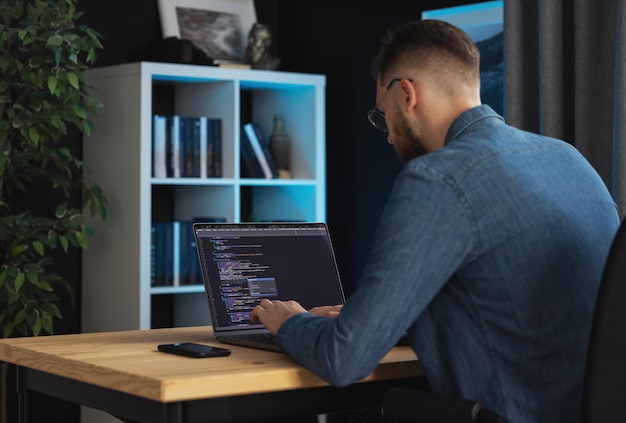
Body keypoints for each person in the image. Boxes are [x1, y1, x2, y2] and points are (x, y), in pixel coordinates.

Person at [251, 19, 620, 423]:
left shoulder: (437, 178)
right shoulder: (568, 158)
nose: (389, 135)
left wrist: (289, 321)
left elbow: (344, 359)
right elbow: (516, 309)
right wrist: (379, 319)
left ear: (406, 94)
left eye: (382, 115)